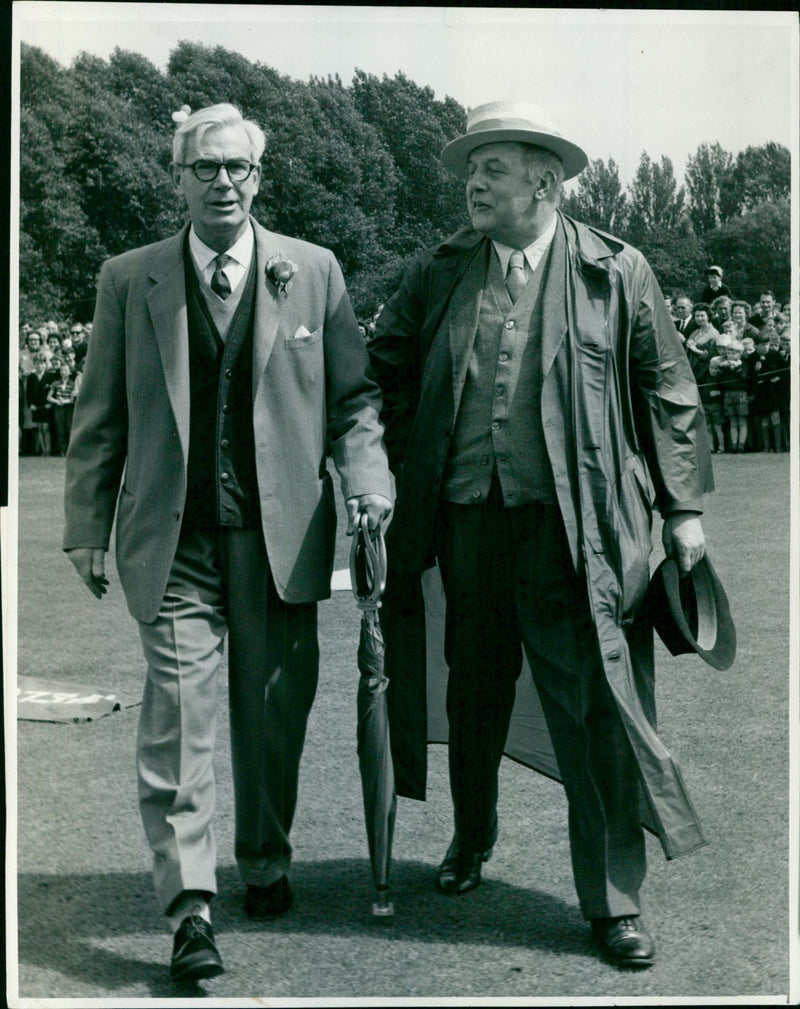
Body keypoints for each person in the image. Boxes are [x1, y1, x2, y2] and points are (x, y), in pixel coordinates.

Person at [369, 101, 712, 970]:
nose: (474, 183)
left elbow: (668, 391)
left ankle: (613, 900)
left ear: (546, 181)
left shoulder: (615, 270)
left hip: (580, 535)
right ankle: (470, 838)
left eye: (494, 168)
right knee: (472, 696)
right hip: (467, 525)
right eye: (471, 169)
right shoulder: (439, 269)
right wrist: (391, 468)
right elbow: (384, 374)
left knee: (595, 708)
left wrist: (682, 511)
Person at [63, 102, 394, 983]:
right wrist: (87, 525)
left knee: (273, 716)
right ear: (178, 177)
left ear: (259, 177)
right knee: (178, 721)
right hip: (173, 544)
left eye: (235, 168)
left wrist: (368, 485)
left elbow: (355, 399)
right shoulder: (130, 279)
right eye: (202, 168)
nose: (220, 183)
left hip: (281, 544)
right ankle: (190, 910)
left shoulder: (313, 272)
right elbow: (98, 416)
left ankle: (265, 854)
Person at [685, 304, 723, 451]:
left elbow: (712, 356)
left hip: (707, 376)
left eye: (702, 316)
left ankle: (716, 446)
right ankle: (705, 444)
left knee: (709, 411)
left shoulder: (714, 334)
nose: (699, 318)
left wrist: (694, 348)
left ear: (708, 316)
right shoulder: (695, 332)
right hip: (694, 374)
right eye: (697, 316)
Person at [709, 339, 748, 453]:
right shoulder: (723, 366)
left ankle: (741, 446)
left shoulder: (744, 365)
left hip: (741, 394)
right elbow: (720, 381)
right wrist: (724, 368)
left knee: (742, 420)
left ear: (740, 354)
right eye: (729, 353)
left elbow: (745, 379)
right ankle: (734, 445)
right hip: (728, 395)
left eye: (734, 353)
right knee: (733, 421)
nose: (731, 355)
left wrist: (736, 368)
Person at [47, 360, 78, 455]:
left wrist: (64, 401)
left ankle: (70, 451)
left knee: (69, 428)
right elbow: (48, 397)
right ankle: (62, 451)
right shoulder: (56, 383)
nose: (63, 372)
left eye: (65, 370)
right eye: (62, 370)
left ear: (69, 372)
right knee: (60, 429)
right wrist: (57, 401)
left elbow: (72, 399)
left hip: (69, 408)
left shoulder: (73, 384)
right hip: (59, 408)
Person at [26, 352, 53, 456]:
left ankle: (49, 450)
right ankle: (44, 450)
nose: (39, 366)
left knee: (46, 428)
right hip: (36, 408)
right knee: (39, 428)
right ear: (34, 364)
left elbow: (53, 391)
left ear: (45, 364)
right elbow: (28, 393)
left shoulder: (50, 376)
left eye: (42, 363)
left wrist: (50, 404)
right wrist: (30, 405)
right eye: (37, 363)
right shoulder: (31, 377)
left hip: (46, 407)